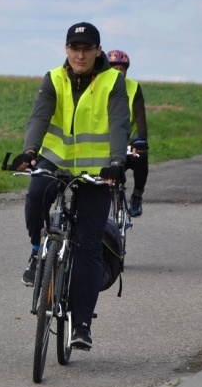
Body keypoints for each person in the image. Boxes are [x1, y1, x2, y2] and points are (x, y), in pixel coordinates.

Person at [10, 22, 131, 350]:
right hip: (55, 160)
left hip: (97, 170)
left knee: (89, 246)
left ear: (97, 51)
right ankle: (38, 253)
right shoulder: (53, 78)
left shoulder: (112, 82)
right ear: (66, 50)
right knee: (35, 195)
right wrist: (30, 152)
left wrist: (118, 163)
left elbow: (120, 122)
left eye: (86, 49)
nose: (80, 54)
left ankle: (81, 324)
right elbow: (39, 117)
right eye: (74, 48)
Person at [106, 49, 148, 217]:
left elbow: (140, 118)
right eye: (113, 69)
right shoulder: (98, 86)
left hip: (125, 139)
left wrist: (141, 140)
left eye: (121, 69)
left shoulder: (133, 87)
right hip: (102, 140)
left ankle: (137, 196)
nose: (117, 72)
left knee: (141, 157)